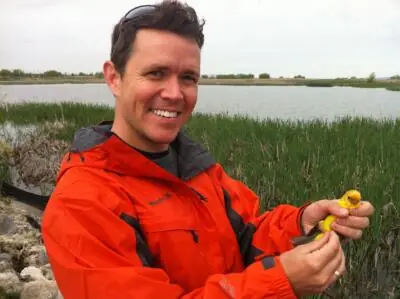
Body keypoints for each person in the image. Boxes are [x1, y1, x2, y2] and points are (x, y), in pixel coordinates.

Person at [41, 1, 375, 298]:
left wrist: (303, 224)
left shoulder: (197, 168)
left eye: (188, 78)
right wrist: (280, 283)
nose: (174, 93)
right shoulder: (80, 203)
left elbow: (247, 235)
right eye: (156, 73)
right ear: (114, 78)